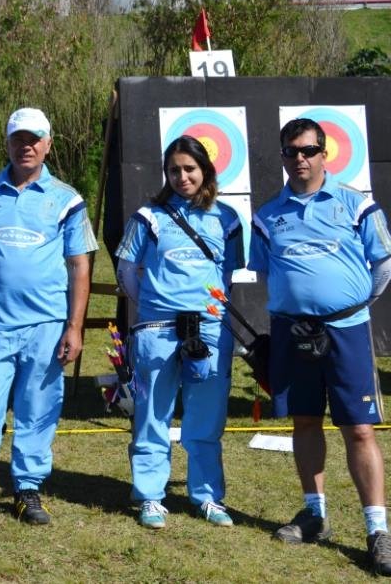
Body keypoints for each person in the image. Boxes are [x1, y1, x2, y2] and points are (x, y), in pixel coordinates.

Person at [0, 107, 96, 527]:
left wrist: (74, 326)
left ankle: (28, 487)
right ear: (7, 143)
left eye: (34, 139)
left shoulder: (68, 199)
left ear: (48, 144)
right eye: (18, 139)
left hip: (47, 327)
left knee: (37, 409)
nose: (26, 147)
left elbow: (79, 265)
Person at [249, 118, 391, 575]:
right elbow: (268, 273)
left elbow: (383, 265)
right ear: (283, 156)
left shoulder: (356, 204)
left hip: (347, 331)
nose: (300, 159)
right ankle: (314, 515)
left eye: (308, 150)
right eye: (291, 151)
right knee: (305, 421)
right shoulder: (267, 215)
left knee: (360, 429)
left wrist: (350, 307)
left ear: (323, 153)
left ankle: (377, 530)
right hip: (293, 333)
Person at [115, 135, 244, 529]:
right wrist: (154, 305)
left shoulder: (227, 218)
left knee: (206, 417)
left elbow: (227, 276)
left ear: (205, 170)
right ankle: (150, 496)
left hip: (209, 331)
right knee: (152, 414)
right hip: (157, 329)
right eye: (174, 170)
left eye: (190, 169)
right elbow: (125, 271)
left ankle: (207, 496)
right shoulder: (148, 216)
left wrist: (209, 310)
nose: (182, 177)